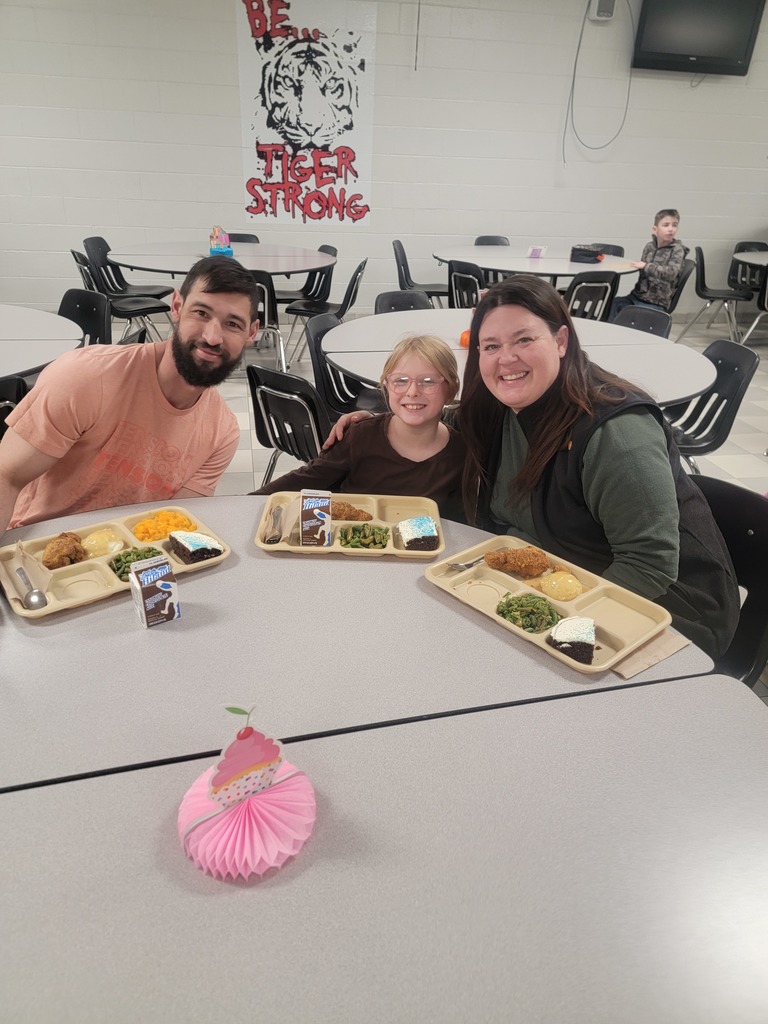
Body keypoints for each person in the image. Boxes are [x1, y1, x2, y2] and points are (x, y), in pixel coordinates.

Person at [328, 277, 739, 659]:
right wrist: (390, 421)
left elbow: (649, 565)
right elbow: (455, 423)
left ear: (561, 340)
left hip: (652, 606)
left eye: (524, 339)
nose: (506, 358)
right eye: (489, 346)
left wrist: (552, 630)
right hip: (537, 571)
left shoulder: (618, 435)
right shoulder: (500, 402)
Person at [0, 255, 260, 537]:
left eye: (233, 324)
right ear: (177, 306)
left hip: (130, 563)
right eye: (201, 313)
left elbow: (171, 526)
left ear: (251, 333)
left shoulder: (222, 433)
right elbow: (6, 475)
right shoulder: (87, 377)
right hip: (36, 547)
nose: (212, 337)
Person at [255, 334, 466, 521]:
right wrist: (246, 505)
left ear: (451, 390)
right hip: (351, 553)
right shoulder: (360, 435)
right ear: (386, 386)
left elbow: (461, 526)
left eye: (428, 381)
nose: (412, 391)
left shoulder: (462, 455)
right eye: (400, 381)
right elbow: (308, 478)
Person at [610, 208, 688, 319]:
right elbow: (643, 272)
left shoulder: (677, 250)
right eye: (666, 225)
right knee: (612, 304)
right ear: (655, 229)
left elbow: (671, 273)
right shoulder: (649, 247)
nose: (671, 229)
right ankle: (611, 334)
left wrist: (646, 266)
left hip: (657, 302)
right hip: (637, 296)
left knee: (628, 314)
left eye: (674, 225)